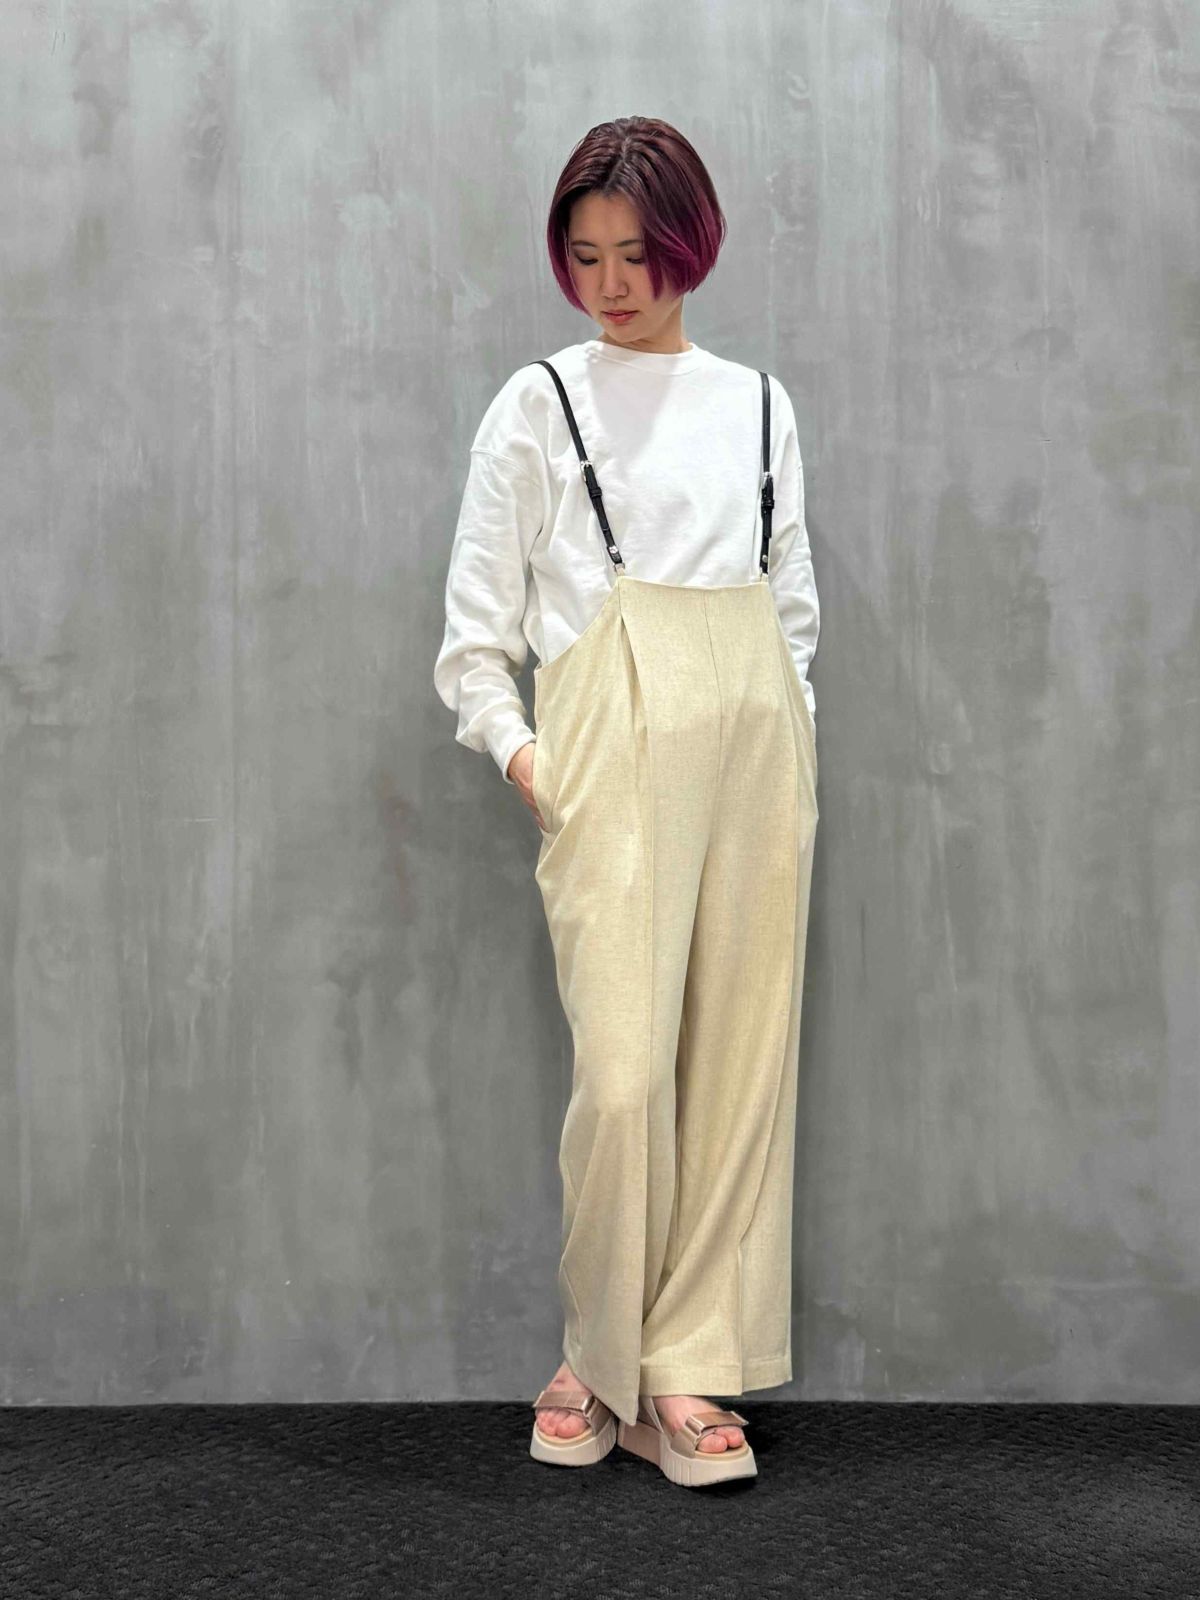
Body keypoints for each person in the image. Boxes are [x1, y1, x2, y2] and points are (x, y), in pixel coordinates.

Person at [433, 116, 819, 1488]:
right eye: (586, 255)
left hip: (758, 752)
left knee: (738, 1074)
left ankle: (685, 1365)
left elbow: (791, 611)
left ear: (690, 246)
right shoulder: (540, 403)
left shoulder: (758, 404)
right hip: (610, 750)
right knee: (626, 1075)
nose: (612, 284)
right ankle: (597, 1353)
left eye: (638, 254)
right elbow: (474, 640)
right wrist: (536, 764)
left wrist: (792, 740)